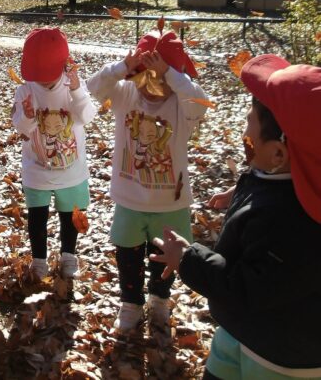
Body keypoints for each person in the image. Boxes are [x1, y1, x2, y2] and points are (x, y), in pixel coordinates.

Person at [152, 54, 321, 379]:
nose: (243, 130)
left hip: (279, 357)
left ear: (277, 153)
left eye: (248, 123)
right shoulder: (285, 179)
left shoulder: (291, 226)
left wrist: (187, 258)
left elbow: (245, 287)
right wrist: (242, 189)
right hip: (237, 330)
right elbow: (271, 182)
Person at [87, 29, 209, 332]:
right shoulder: (127, 94)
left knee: (164, 258)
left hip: (171, 204)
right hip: (130, 199)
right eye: (145, 79)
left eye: (161, 81)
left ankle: (159, 298)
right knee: (127, 254)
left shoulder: (182, 105)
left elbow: (200, 101)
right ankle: (130, 303)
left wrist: (171, 74)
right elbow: (94, 86)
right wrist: (122, 68)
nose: (151, 89)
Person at [11, 28, 96, 282]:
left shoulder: (72, 86)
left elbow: (87, 116)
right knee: (37, 216)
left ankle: (69, 255)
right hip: (37, 168)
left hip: (71, 169)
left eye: (49, 75)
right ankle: (39, 259)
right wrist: (27, 117)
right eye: (38, 76)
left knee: (70, 216)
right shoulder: (25, 91)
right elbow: (21, 129)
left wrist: (78, 91)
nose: (44, 82)